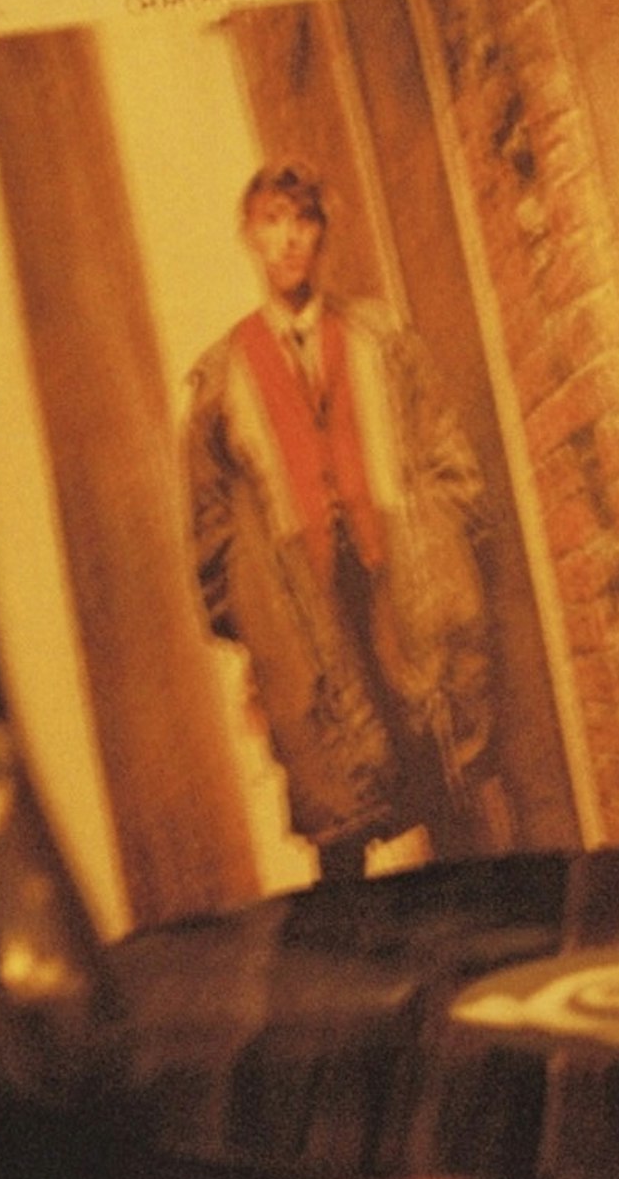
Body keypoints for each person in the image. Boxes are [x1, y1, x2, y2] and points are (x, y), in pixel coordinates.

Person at [182, 162, 500, 878]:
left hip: (401, 589)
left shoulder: (381, 340)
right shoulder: (222, 376)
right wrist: (259, 620)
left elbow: (451, 458)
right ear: (248, 235)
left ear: (322, 235)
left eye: (304, 221)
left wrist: (439, 549)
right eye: (273, 221)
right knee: (338, 810)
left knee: (441, 787)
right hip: (302, 611)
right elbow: (208, 528)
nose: (289, 240)